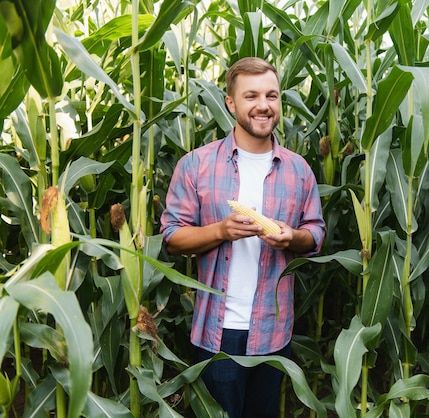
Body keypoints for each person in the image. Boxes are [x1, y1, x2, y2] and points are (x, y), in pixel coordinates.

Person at [160, 57, 326, 418]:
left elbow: (315, 234)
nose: (263, 105)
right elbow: (171, 237)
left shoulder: (299, 170)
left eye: (272, 95)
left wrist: (292, 237)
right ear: (231, 103)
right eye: (251, 96)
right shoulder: (196, 164)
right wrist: (221, 231)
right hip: (216, 332)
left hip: (272, 333)